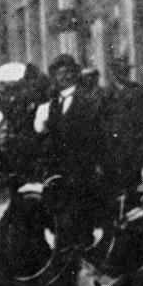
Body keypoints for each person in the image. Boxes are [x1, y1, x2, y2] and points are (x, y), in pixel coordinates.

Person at [35, 54, 105, 246]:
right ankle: (65, 266)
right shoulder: (53, 105)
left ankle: (83, 265)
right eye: (59, 74)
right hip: (59, 175)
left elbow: (97, 137)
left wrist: (95, 166)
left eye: (68, 73)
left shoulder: (88, 100)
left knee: (82, 224)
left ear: (75, 74)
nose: (64, 77)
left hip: (82, 173)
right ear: (54, 77)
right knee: (62, 226)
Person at [101, 57, 143, 192]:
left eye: (125, 70)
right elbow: (101, 120)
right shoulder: (105, 93)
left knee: (134, 183)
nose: (123, 73)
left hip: (133, 144)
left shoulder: (138, 90)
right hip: (112, 146)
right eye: (119, 70)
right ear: (113, 72)